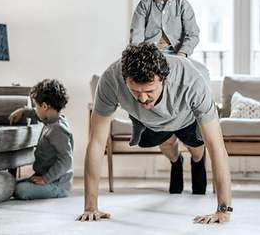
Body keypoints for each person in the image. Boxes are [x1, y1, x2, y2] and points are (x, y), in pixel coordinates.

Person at [77, 43, 232, 224]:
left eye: (149, 91)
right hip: (150, 122)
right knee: (167, 145)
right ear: (124, 79)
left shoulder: (191, 82)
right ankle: (176, 160)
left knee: (198, 150)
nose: (142, 98)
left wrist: (223, 211)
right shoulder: (111, 80)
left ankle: (197, 160)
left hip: (187, 118)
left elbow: (216, 146)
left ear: (163, 79)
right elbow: (96, 142)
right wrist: (90, 207)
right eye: (135, 92)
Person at [9, 79, 74, 200]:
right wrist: (24, 112)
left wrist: (46, 179)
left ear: (44, 106)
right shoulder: (51, 120)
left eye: (36, 106)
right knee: (16, 184)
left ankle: (52, 189)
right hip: (46, 177)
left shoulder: (58, 130)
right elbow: (39, 115)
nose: (35, 109)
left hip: (57, 184)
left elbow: (66, 160)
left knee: (20, 189)